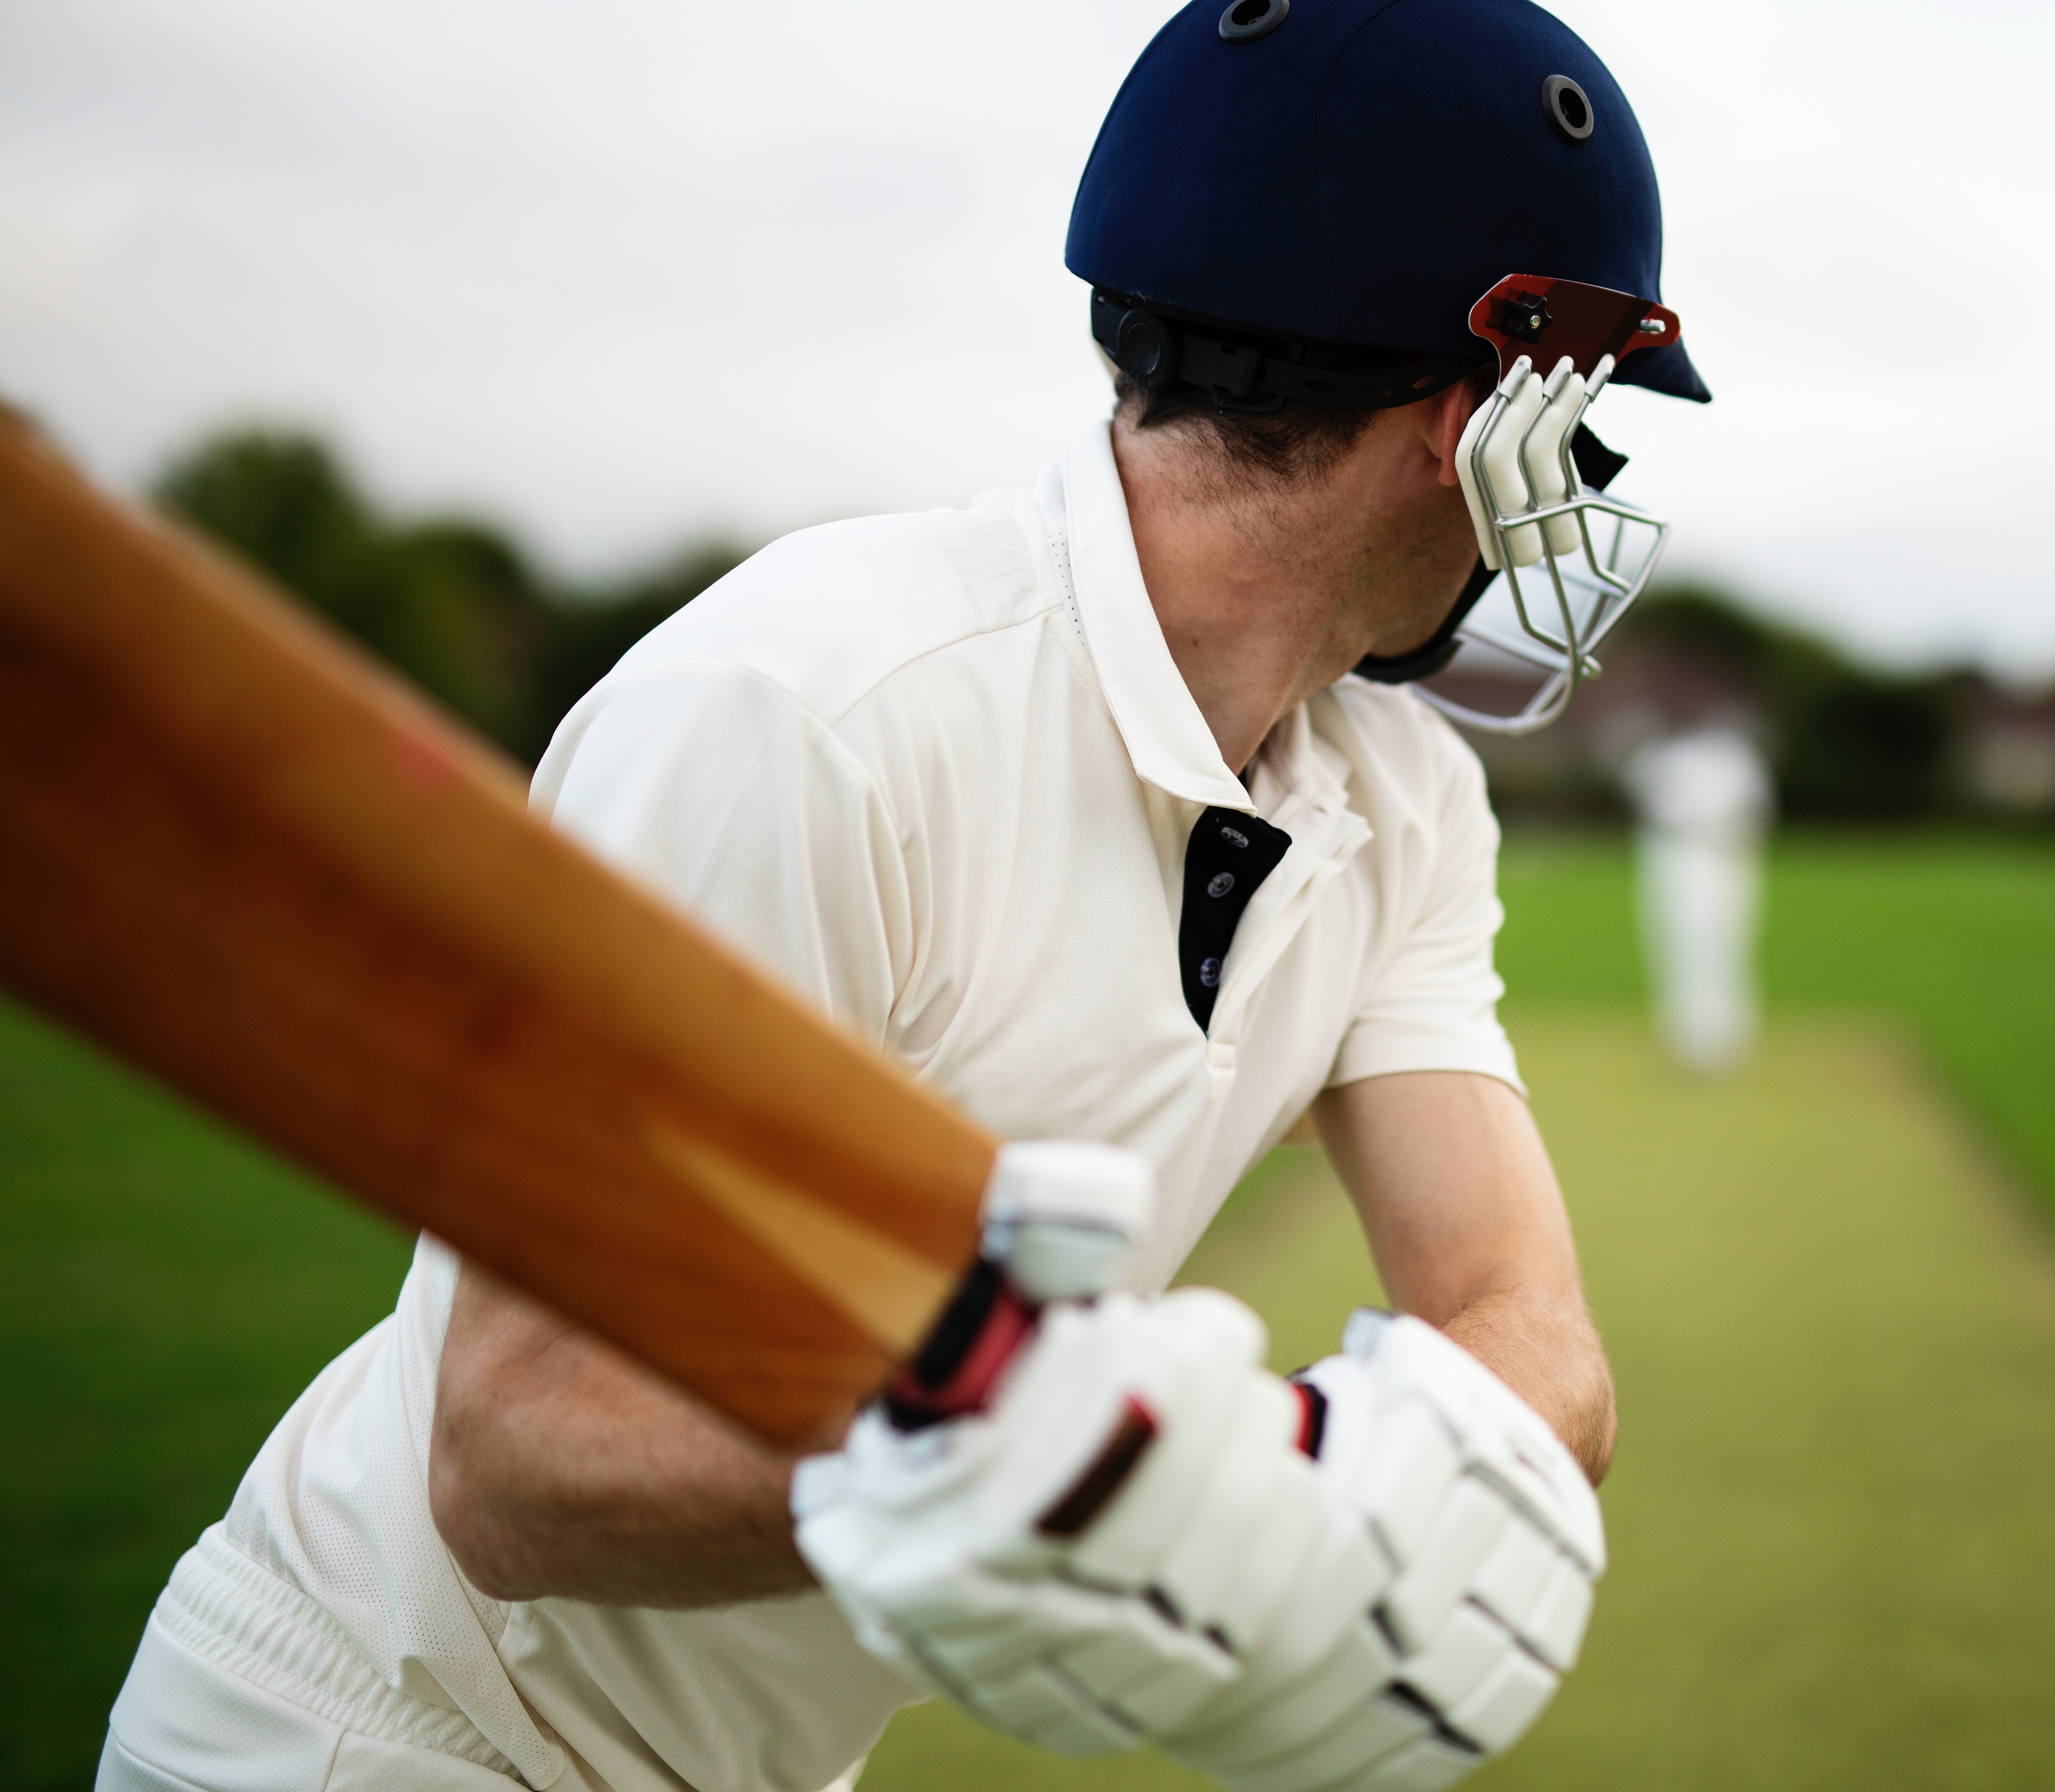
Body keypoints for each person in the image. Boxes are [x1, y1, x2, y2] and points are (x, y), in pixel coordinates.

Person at [97, 3, 1709, 1789]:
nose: (1573, 492)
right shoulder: (806, 705)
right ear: (1476, 412)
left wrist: (1275, 1476)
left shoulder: (1400, 797)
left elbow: (1526, 1331)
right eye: (1586, 426)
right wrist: (1055, 1478)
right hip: (381, 1730)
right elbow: (515, 1459)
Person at [1623, 728, 1774, 1076]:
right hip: (1674, 855)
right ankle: (1685, 1037)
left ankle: (1724, 1038)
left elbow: (1756, 810)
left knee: (1725, 944)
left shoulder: (1737, 757)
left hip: (1724, 856)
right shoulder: (1664, 753)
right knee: (1674, 944)